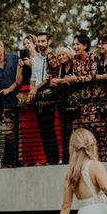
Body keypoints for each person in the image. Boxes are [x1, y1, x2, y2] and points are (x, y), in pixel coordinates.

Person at [0, 40, 21, 167]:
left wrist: (9, 89)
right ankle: (11, 161)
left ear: (2, 48)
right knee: (7, 133)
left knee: (21, 132)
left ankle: (17, 160)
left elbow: (19, 79)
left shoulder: (14, 59)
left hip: (20, 102)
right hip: (5, 104)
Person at [29, 32, 61, 165]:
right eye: (38, 41)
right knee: (43, 129)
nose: (40, 44)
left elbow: (49, 77)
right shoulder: (35, 59)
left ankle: (55, 159)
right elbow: (33, 78)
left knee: (50, 128)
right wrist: (32, 91)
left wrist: (36, 88)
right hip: (37, 98)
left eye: (43, 41)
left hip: (50, 96)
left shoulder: (52, 57)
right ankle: (49, 159)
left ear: (49, 41)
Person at [17, 35, 47, 166]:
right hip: (23, 94)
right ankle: (28, 159)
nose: (26, 45)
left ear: (35, 44)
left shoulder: (39, 59)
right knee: (25, 128)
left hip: (36, 91)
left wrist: (31, 64)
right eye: (24, 43)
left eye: (28, 43)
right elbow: (18, 81)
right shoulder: (22, 60)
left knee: (36, 127)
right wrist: (19, 66)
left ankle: (40, 158)